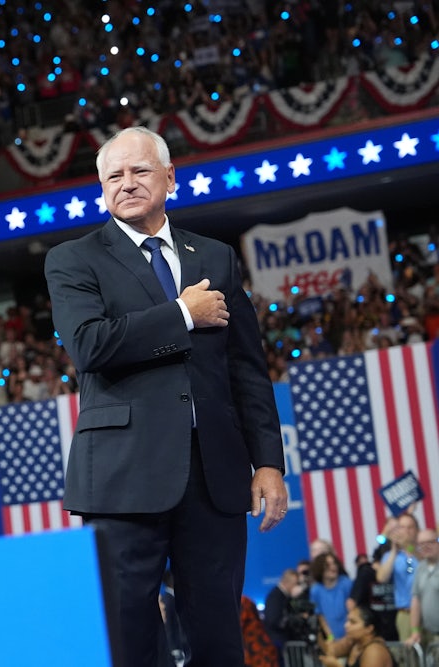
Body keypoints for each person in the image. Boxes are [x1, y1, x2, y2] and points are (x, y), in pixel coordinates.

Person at [43, 126, 288, 667]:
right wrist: (182, 313)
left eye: (139, 171)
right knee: (129, 639)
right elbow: (89, 346)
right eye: (114, 176)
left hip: (214, 478)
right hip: (123, 480)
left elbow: (246, 368)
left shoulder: (217, 257)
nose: (126, 184)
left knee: (220, 638)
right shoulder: (73, 260)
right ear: (101, 188)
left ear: (170, 178)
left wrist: (268, 461)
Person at [377, 512, 419, 640]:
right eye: (402, 527)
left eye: (410, 527)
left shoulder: (423, 550)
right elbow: (381, 578)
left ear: (416, 530)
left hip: (428, 612)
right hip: (405, 613)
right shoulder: (390, 556)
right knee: (411, 656)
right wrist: (394, 550)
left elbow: (416, 562)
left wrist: (409, 548)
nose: (406, 531)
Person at [317, 606, 395, 667]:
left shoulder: (374, 651)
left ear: (369, 629)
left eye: (353, 622)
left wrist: (337, 666)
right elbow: (329, 650)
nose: (346, 625)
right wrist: (317, 631)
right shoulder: (354, 642)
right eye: (347, 621)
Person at [310, 552, 355, 643]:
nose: (333, 567)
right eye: (328, 565)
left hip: (351, 636)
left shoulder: (346, 583)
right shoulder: (315, 590)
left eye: (334, 563)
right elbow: (321, 616)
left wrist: (349, 636)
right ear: (320, 568)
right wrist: (330, 637)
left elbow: (353, 612)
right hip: (333, 640)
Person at [406, 527, 439, 648]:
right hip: (429, 635)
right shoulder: (420, 568)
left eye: (430, 542)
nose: (425, 546)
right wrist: (415, 630)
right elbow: (416, 600)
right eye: (421, 544)